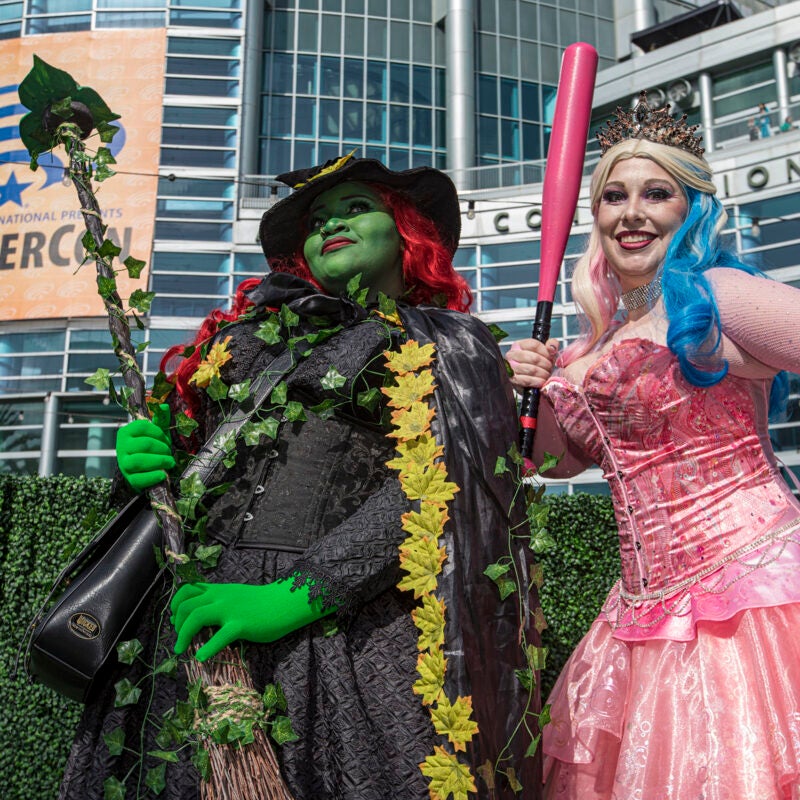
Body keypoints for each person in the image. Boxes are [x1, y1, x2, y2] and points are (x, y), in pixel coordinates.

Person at [58, 155, 541, 800]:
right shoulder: (243, 339)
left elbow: (446, 488)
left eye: (356, 208)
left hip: (343, 633)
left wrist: (294, 596)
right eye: (317, 219)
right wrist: (141, 463)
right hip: (195, 613)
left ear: (407, 232)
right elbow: (184, 477)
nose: (332, 224)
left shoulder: (451, 343)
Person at [507, 93, 800, 798]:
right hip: (637, 619)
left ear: (690, 208)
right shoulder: (584, 348)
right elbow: (551, 463)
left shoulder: (719, 296)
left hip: (756, 594)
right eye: (614, 196)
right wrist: (526, 387)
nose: (631, 213)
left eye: (656, 193)